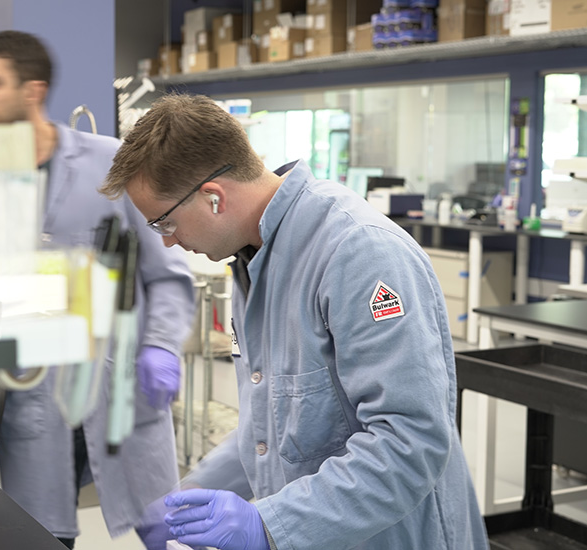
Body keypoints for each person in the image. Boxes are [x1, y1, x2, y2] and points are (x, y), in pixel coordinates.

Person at [100, 93, 490, 549]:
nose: (169, 243)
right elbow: (278, 424)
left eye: (164, 223)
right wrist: (188, 496)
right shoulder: (254, 259)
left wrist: (269, 525)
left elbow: (408, 444)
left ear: (213, 198)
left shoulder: (358, 252)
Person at [0, 31, 195, 548]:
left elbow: (168, 273)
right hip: (30, 401)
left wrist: (160, 345)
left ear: (32, 91)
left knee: (166, 531)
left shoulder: (111, 164)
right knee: (44, 536)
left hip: (120, 390)